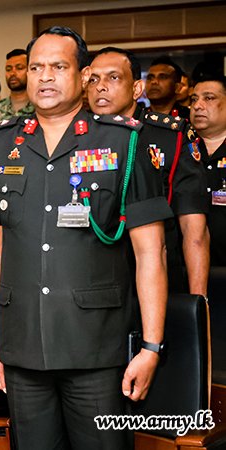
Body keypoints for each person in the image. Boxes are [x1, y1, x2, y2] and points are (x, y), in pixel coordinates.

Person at [0, 27, 171, 450]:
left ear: (83, 77)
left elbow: (151, 252)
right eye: (35, 68)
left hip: (97, 349)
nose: (44, 76)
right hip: (22, 347)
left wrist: (151, 347)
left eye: (58, 66)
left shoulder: (123, 141)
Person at [88, 47, 209, 295]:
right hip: (93, 284)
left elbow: (194, 230)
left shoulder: (170, 136)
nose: (101, 87)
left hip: (159, 278)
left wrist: (199, 303)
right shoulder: (76, 138)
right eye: (93, 79)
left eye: (113, 77)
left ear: (136, 89)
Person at [191, 75, 226, 267]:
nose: (197, 106)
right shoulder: (180, 150)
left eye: (209, 98)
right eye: (194, 99)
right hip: (186, 267)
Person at [0, 49, 35, 147]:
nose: (12, 73)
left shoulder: (40, 109)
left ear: (31, 71)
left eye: (19, 68)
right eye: (8, 69)